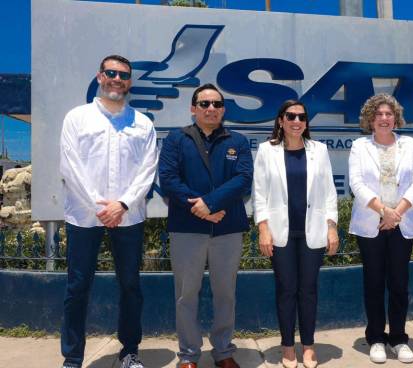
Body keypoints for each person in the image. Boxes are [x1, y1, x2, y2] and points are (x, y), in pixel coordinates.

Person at [59, 55, 158, 368]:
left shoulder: (143, 124)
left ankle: (129, 352)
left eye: (124, 75)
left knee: (130, 286)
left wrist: (123, 204)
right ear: (100, 76)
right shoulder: (77, 118)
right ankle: (73, 358)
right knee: (77, 287)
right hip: (84, 216)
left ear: (129, 82)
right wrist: (99, 206)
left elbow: (148, 170)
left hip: (129, 217)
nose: (117, 79)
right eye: (111, 73)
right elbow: (70, 166)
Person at [158, 83, 253, 368]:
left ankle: (223, 351)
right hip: (187, 228)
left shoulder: (238, 141)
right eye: (204, 103)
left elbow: (243, 180)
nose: (211, 108)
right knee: (186, 295)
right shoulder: (176, 139)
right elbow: (169, 179)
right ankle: (188, 355)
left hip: (227, 228)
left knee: (226, 293)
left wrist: (210, 204)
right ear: (193, 108)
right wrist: (200, 209)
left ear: (223, 109)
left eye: (216, 104)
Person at [253, 100, 339, 368]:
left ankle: (309, 347)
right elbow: (259, 193)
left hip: (312, 232)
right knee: (286, 290)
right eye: (291, 116)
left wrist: (332, 227)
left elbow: (328, 192)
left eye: (302, 117)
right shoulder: (267, 151)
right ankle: (288, 347)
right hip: (281, 234)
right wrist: (263, 229)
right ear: (280, 120)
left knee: (309, 291)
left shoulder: (319, 150)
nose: (296, 121)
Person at [348, 94, 413, 364]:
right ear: (370, 119)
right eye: (378, 114)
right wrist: (384, 211)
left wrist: (397, 213)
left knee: (399, 284)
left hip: (401, 224)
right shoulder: (360, 146)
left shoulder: (410, 144)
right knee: (373, 283)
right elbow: (356, 183)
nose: (384, 118)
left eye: (389, 114)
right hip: (371, 223)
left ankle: (399, 338)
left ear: (396, 118)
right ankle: (376, 338)